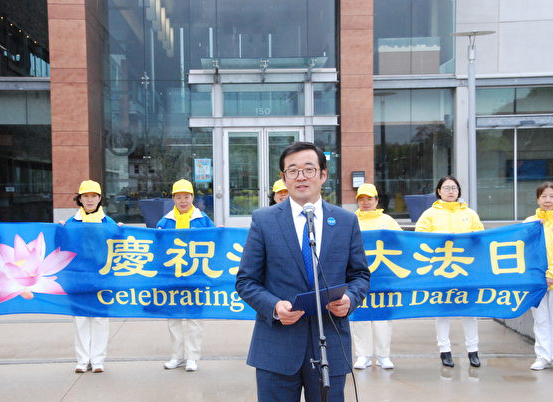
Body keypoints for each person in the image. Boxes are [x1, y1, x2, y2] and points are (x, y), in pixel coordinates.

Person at [236, 142, 370, 401]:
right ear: (283, 177)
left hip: (330, 344)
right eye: (293, 171)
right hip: (277, 347)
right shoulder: (264, 220)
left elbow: (360, 276)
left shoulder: (345, 221)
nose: (301, 177)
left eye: (309, 169)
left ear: (323, 175)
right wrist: (275, 307)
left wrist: (350, 299)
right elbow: (246, 281)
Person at [415, 175, 484, 368]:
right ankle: (444, 351)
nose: (451, 191)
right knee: (442, 311)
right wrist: (440, 236)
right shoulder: (430, 214)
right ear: (439, 191)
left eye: (454, 188)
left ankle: (473, 350)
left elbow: (481, 234)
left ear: (459, 191)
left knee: (469, 310)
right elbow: (419, 236)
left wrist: (472, 236)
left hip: (466, 268)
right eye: (446, 188)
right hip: (440, 269)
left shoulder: (470, 213)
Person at [62, 180, 119, 374]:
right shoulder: (70, 223)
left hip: (102, 278)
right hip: (78, 279)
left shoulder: (109, 223)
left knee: (100, 319)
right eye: (85, 196)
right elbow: (62, 249)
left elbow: (119, 248)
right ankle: (82, 359)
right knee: (80, 319)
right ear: (79, 199)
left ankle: (98, 360)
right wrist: (59, 232)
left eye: (93, 196)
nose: (90, 200)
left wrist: (121, 232)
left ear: (100, 198)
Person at [158, 179, 214, 372]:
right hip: (172, 276)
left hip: (196, 276)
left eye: (186, 196)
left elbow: (214, 242)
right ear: (173, 199)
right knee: (173, 318)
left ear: (192, 197)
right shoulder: (165, 222)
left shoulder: (203, 219)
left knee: (194, 318)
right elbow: (156, 247)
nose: (183, 201)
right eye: (178, 197)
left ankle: (192, 357)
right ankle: (177, 356)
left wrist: (221, 233)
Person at [352, 183, 401, 370]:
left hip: (383, 276)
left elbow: (401, 241)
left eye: (369, 199)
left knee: (382, 317)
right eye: (361, 199)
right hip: (357, 275)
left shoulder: (387, 221)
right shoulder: (350, 219)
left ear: (376, 200)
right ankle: (362, 355)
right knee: (361, 316)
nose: (365, 202)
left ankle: (383, 355)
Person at [524, 182, 553, 373]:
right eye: (544, 196)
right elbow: (522, 249)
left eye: (551, 196)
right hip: (536, 281)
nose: (547, 200)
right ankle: (542, 356)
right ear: (537, 199)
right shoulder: (530, 222)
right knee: (540, 320)